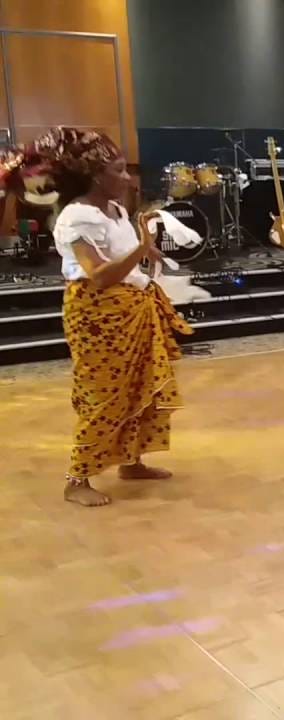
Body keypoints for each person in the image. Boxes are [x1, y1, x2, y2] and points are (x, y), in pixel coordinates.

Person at [31, 128, 192, 507]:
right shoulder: (76, 217)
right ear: (93, 176)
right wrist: (142, 248)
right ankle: (77, 478)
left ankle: (131, 461)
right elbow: (100, 275)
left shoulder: (115, 209)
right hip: (98, 316)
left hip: (131, 308)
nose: (127, 178)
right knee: (103, 395)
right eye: (119, 171)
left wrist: (143, 253)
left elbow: (125, 260)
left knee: (138, 388)